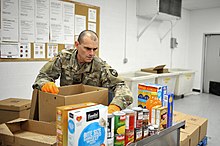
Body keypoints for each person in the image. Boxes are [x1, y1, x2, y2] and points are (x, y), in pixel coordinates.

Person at [32, 30, 133, 113]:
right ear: (77, 44)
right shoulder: (63, 57)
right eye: (87, 48)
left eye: (95, 49)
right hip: (67, 107)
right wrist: (45, 84)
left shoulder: (100, 66)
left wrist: (115, 106)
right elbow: (42, 77)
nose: (91, 53)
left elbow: (122, 87)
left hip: (90, 112)